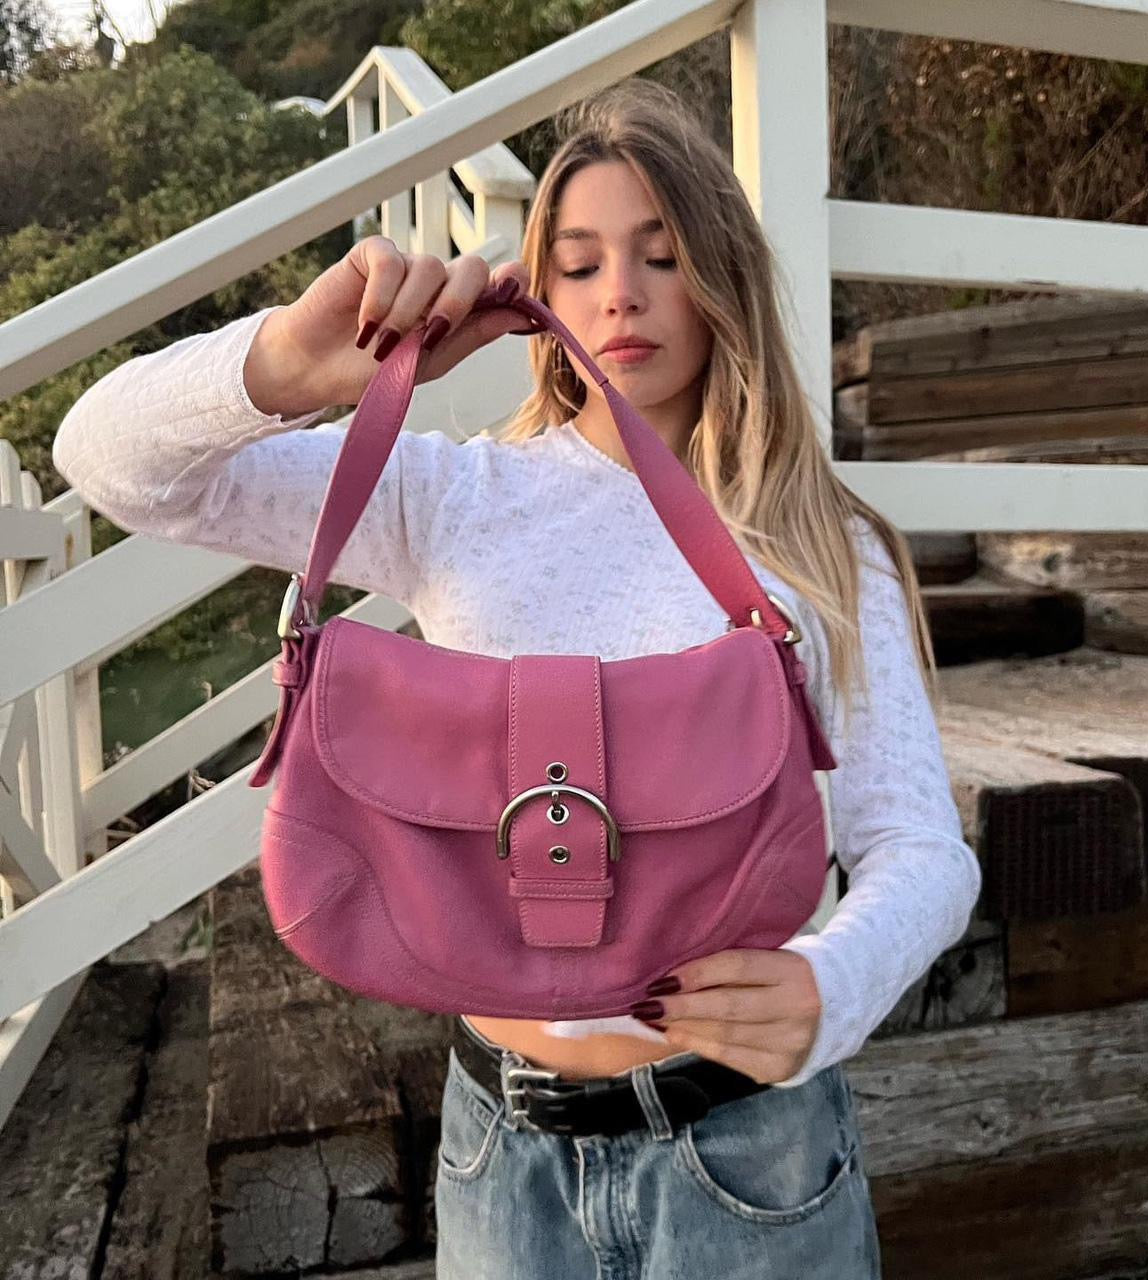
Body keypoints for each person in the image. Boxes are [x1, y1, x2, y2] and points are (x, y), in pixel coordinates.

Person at [52, 77, 981, 1278]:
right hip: (501, 1145)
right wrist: (295, 359)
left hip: (745, 1148)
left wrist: (830, 981)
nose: (621, 295)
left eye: (660, 254)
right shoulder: (452, 495)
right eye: (582, 261)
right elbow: (106, 460)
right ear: (538, 287)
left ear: (723, 279)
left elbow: (918, 843)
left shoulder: (811, 537)